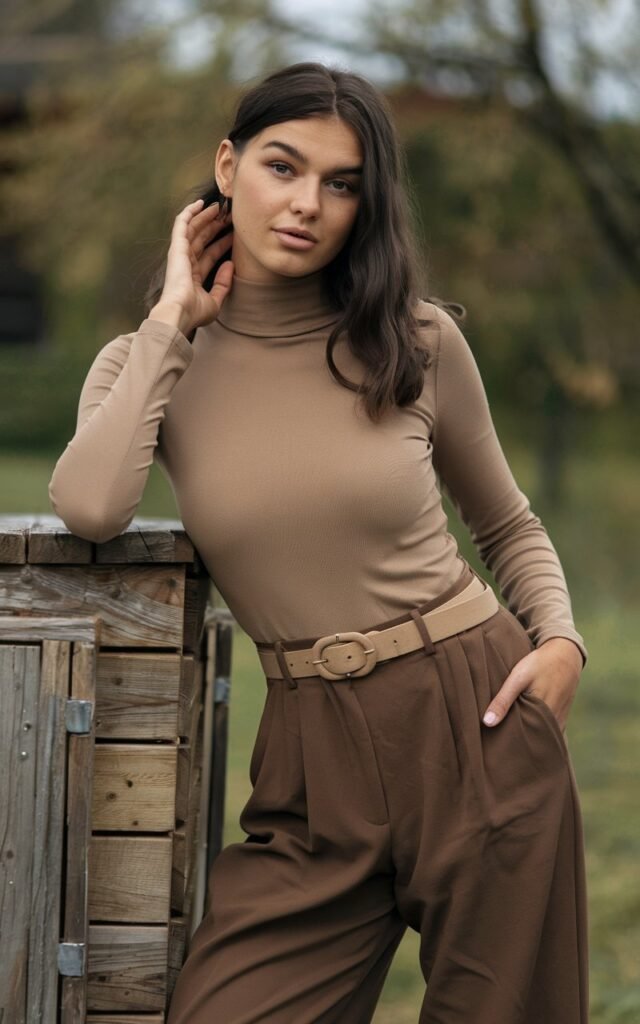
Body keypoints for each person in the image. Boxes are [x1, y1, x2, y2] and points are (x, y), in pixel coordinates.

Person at [48, 61, 589, 1023]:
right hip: (310, 754)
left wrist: (558, 642)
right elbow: (92, 506)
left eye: (342, 184)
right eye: (283, 167)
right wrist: (173, 319)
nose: (307, 204)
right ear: (227, 165)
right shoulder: (147, 364)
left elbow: (506, 522)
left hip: (475, 717)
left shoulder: (414, 341)